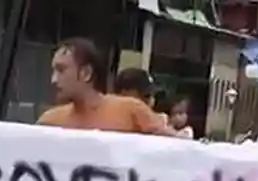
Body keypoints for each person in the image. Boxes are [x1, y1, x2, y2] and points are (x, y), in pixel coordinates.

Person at [38, 38, 175, 136]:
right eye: (53, 71)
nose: (53, 80)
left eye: (61, 70)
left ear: (86, 73)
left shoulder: (132, 111)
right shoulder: (49, 122)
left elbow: (176, 149)